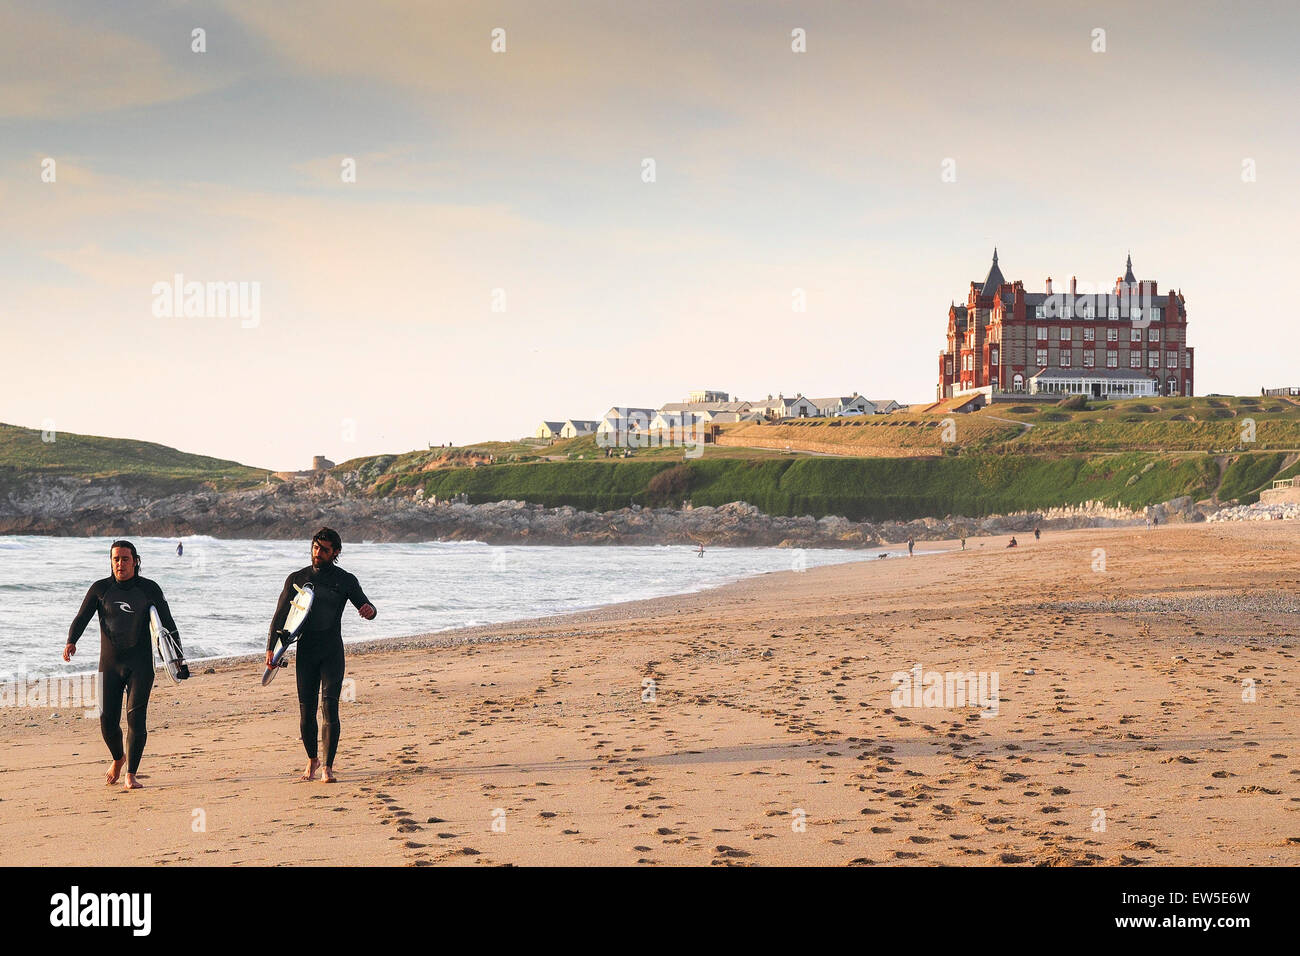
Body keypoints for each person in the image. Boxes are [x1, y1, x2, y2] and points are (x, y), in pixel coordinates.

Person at [64, 540, 188, 790]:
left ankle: (131, 773)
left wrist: (178, 659)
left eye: (125, 559)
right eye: (116, 559)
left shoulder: (149, 589)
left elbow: (167, 623)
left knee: (136, 719)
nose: (120, 563)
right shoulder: (101, 589)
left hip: (140, 665)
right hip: (109, 665)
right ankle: (118, 758)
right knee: (107, 722)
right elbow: (81, 617)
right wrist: (71, 641)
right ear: (111, 562)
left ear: (136, 561)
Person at [266, 527, 376, 783]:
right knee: (306, 711)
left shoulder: (345, 580)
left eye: (325, 550)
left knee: (330, 707)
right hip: (306, 651)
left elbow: (365, 605)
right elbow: (281, 615)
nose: (318, 553)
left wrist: (370, 611)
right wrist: (271, 648)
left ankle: (327, 765)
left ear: (335, 552)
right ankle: (312, 758)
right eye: (316, 547)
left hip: (332, 650)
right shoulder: (297, 578)